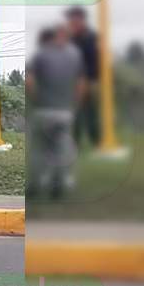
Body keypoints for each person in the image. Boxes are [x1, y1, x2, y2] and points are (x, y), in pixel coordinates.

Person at [26, 26, 85, 199]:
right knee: (61, 149)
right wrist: (75, 105)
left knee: (38, 149)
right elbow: (81, 83)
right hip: (65, 111)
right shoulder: (74, 56)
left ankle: (35, 185)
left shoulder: (41, 55)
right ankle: (57, 185)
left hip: (43, 111)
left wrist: (37, 99)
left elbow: (29, 81)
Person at [66, 6, 100, 147]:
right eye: (70, 19)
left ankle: (96, 140)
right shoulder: (70, 38)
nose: (71, 22)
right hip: (73, 81)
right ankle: (75, 142)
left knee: (90, 111)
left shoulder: (91, 38)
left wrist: (86, 79)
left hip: (90, 80)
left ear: (81, 19)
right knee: (75, 113)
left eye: (74, 19)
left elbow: (95, 60)